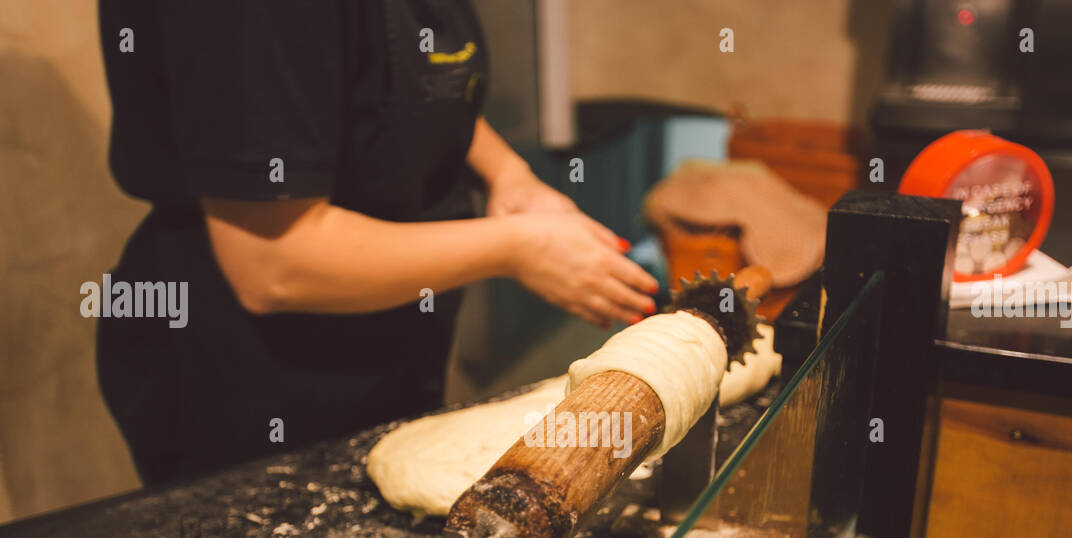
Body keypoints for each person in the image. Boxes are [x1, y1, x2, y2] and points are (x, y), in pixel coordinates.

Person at [96, 0, 658, 484]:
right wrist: (517, 248)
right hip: (249, 378)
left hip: (383, 343)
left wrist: (507, 175)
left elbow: (410, 86)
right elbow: (272, 263)